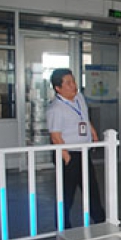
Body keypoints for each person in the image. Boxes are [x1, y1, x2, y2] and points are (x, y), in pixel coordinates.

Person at [46, 68, 106, 229]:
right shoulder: (56, 108)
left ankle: (100, 220)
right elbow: (55, 136)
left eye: (73, 81)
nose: (73, 85)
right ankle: (63, 227)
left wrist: (93, 132)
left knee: (91, 188)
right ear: (58, 88)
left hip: (83, 152)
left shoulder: (79, 98)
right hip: (68, 154)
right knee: (67, 194)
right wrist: (67, 158)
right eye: (68, 83)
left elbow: (84, 118)